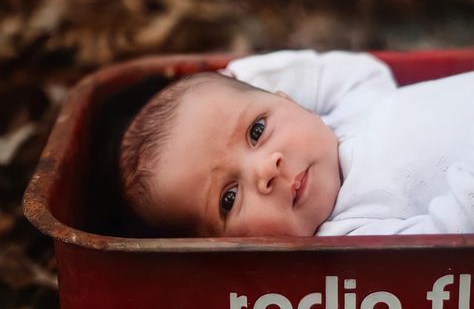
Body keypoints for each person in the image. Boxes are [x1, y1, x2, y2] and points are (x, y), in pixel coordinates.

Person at [120, 50, 474, 237]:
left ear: (287, 99)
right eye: (229, 198)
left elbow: (361, 71)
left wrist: (240, 79)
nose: (265, 169)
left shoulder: (351, 107)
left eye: (256, 131)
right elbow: (445, 236)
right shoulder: (351, 232)